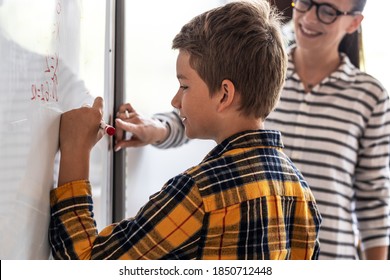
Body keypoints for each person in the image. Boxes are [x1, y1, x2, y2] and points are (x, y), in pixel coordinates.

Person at [115, 0, 390, 260]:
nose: (307, 17)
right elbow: (199, 110)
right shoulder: (259, 63)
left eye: (327, 11)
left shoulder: (369, 95)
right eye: (305, 3)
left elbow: (373, 199)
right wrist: (156, 129)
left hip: (324, 255)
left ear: (354, 22)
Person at [49, 0, 322, 260]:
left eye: (185, 86)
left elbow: (85, 261)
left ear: (225, 94)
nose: (175, 101)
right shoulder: (300, 193)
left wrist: (75, 149)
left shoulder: (199, 193)